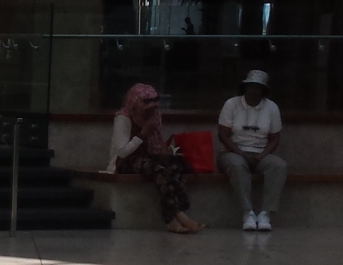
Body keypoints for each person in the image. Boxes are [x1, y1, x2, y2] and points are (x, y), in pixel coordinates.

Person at [107, 83, 205, 233]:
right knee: (160, 171)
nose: (152, 105)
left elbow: (156, 146)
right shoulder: (124, 118)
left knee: (177, 165)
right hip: (125, 162)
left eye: (155, 100)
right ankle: (175, 217)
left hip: (147, 157)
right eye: (146, 102)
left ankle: (179, 211)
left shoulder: (154, 115)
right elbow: (122, 152)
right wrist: (143, 133)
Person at [217, 70, 285, 231]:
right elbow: (223, 135)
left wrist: (262, 155)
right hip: (233, 151)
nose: (253, 91)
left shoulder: (271, 107)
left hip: (260, 153)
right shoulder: (231, 104)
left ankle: (265, 214)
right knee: (237, 166)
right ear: (244, 88)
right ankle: (247, 213)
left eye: (258, 88)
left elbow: (275, 138)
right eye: (250, 87)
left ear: (263, 91)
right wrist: (241, 154)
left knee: (279, 166)